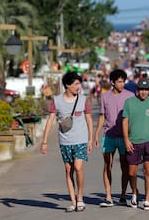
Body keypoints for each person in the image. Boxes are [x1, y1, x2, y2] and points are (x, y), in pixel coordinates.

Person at [40, 71, 94, 213]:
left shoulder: (83, 100)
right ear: (67, 85)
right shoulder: (56, 101)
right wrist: (44, 142)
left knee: (78, 167)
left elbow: (89, 119)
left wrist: (90, 139)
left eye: (79, 83)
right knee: (68, 170)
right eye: (76, 84)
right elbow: (50, 121)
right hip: (65, 141)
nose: (79, 86)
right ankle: (73, 201)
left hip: (81, 139)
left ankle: (80, 197)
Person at [94, 69, 134, 207]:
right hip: (109, 135)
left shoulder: (130, 96)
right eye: (119, 82)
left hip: (125, 137)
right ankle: (108, 196)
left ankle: (123, 194)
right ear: (112, 82)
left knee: (125, 166)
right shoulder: (105, 97)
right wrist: (96, 134)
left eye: (123, 81)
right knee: (107, 165)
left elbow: (133, 117)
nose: (122, 84)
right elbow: (102, 116)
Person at [122, 78, 149, 210]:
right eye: (141, 89)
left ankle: (147, 200)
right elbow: (125, 121)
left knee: (148, 171)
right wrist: (126, 139)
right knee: (132, 173)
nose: (143, 92)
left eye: (146, 89)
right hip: (133, 142)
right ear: (137, 90)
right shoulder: (129, 102)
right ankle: (134, 192)